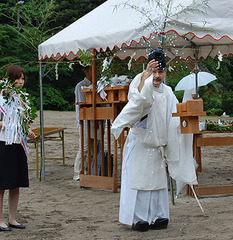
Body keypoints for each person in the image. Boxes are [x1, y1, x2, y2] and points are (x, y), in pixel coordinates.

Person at [111, 48, 197, 232]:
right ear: (149, 69)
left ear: (165, 72)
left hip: (158, 145)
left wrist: (189, 111)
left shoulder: (167, 92)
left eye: (161, 72)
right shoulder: (141, 82)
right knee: (139, 182)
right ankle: (138, 218)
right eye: (154, 71)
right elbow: (138, 99)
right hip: (141, 142)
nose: (157, 76)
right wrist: (145, 76)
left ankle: (159, 215)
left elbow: (176, 113)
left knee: (157, 183)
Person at [0, 65, 35, 231]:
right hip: (3, 143)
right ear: (9, 79)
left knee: (15, 184)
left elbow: (25, 121)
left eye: (22, 79)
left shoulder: (23, 99)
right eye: (17, 78)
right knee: (2, 185)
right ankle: (0, 220)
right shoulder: (1, 97)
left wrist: (28, 130)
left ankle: (12, 218)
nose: (21, 82)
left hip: (18, 144)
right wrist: (8, 124)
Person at [73, 66, 101, 181]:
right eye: (93, 70)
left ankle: (91, 170)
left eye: (96, 70)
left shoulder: (99, 85)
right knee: (84, 147)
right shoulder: (80, 85)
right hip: (85, 121)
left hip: (98, 120)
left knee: (96, 148)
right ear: (86, 71)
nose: (95, 73)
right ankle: (78, 172)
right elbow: (81, 105)